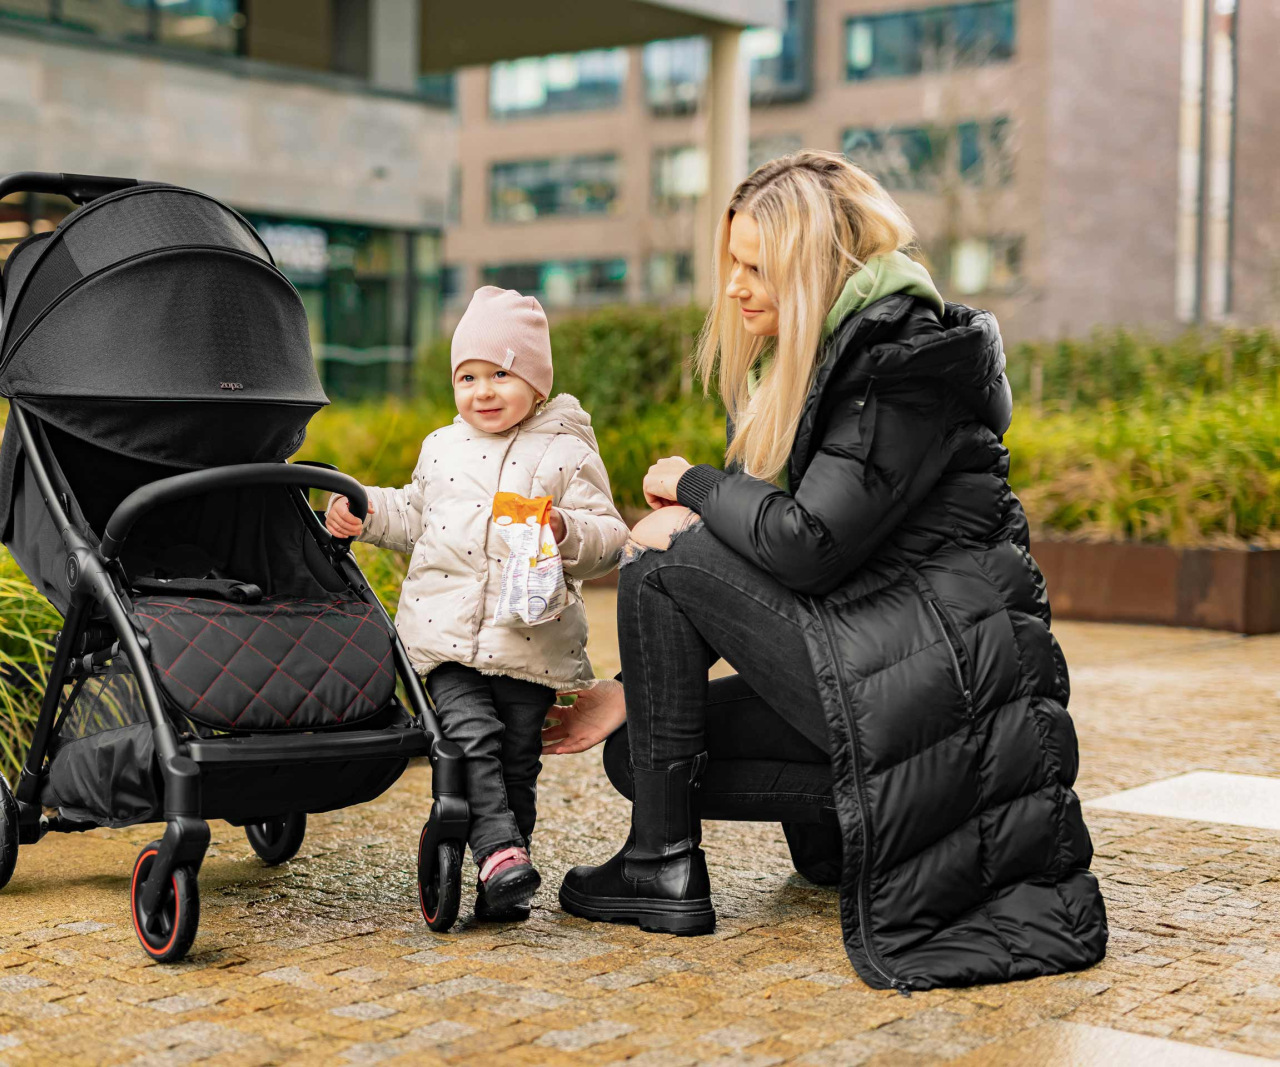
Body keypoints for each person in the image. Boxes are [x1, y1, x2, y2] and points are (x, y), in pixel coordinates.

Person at [544, 151, 1107, 990]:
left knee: (660, 560)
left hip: (939, 689)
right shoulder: (836, 360)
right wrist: (632, 688)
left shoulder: (898, 366)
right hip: (902, 670)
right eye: (732, 263)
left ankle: (660, 868)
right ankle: (853, 827)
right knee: (638, 749)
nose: (733, 286)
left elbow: (806, 547)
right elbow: (769, 572)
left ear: (811, 265)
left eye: (754, 266)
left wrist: (696, 487)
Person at [326, 286, 628, 921]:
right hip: (445, 637)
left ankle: (505, 880)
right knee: (471, 736)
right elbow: (415, 514)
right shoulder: (443, 447)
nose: (483, 392)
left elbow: (610, 539)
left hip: (528, 642)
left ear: (537, 383)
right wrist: (366, 509)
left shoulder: (568, 452)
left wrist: (565, 530)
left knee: (516, 758)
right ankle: (498, 851)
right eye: (468, 377)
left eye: (501, 375)